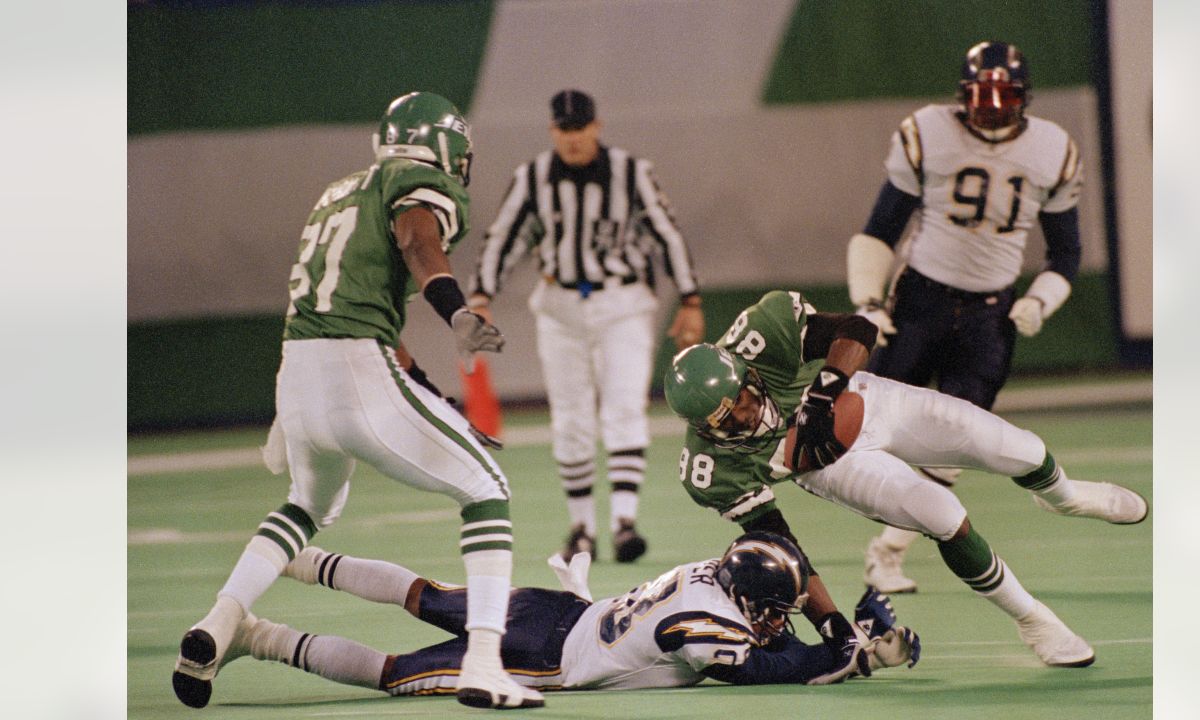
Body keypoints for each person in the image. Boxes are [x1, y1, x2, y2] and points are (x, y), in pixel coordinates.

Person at [172, 92, 544, 711]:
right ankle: (483, 664)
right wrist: (457, 313)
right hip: (353, 369)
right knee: (487, 492)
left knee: (305, 506)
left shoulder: (340, 191)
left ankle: (217, 623)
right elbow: (418, 239)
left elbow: (363, 298)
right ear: (443, 147)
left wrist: (426, 390)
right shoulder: (415, 185)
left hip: (297, 371)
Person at [663, 290, 1148, 668]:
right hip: (828, 464)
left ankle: (1065, 497)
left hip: (866, 399)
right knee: (942, 512)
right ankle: (1033, 619)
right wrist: (832, 625)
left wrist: (821, 396)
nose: (745, 417)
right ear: (704, 428)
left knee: (1017, 447)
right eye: (726, 421)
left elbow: (857, 328)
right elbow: (784, 547)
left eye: (744, 398)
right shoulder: (711, 469)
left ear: (744, 371)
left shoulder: (762, 333)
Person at [846, 41, 1088, 593]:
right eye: (984, 94)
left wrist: (1039, 301)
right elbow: (879, 231)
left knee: (955, 442)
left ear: (1025, 98)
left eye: (1006, 95)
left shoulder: (1053, 148)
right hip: (920, 301)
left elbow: (1066, 254)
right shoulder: (929, 132)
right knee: (870, 422)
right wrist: (867, 302)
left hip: (989, 313)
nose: (995, 106)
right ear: (963, 96)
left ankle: (887, 551)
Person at [203, 532, 920, 701]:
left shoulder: (713, 576)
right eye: (773, 609)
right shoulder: (708, 620)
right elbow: (762, 667)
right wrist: (849, 655)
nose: (776, 619)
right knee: (397, 673)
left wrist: (845, 640)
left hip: (557, 610)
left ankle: (295, 557)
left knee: (422, 595)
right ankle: (261, 639)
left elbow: (762, 638)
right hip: (545, 659)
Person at [466, 89, 705, 564]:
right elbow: (504, 238)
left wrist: (691, 297)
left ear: (596, 126)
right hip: (559, 303)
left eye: (580, 128)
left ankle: (623, 522)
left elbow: (667, 233)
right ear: (553, 131)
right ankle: (582, 528)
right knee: (570, 414)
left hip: (623, 300)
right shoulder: (531, 178)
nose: (573, 139)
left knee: (623, 406)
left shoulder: (632, 173)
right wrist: (480, 294)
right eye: (564, 130)